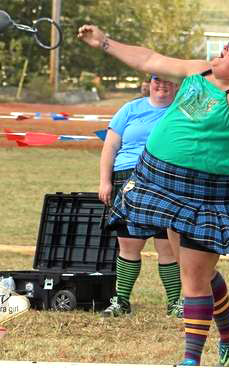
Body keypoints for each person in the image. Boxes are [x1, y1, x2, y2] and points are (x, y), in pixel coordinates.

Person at [78, 25, 229, 367]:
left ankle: (191, 360)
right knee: (196, 270)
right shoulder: (198, 71)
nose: (225, 46)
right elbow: (149, 58)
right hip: (164, 182)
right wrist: (103, 42)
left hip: (209, 194)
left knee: (194, 276)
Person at [99, 75, 183, 318]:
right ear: (150, 82)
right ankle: (121, 302)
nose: (162, 85)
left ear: (177, 85)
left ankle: (175, 303)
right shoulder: (130, 109)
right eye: (158, 80)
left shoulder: (181, 112)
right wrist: (104, 181)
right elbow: (110, 147)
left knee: (167, 244)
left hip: (165, 179)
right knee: (128, 243)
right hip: (128, 178)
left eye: (168, 81)